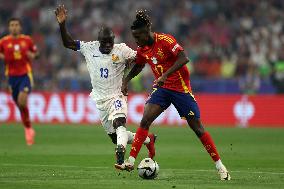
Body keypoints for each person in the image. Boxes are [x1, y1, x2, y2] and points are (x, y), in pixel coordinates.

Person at [116, 10, 231, 180]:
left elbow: (184, 58)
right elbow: (139, 66)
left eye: (138, 36)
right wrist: (126, 81)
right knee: (145, 119)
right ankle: (131, 161)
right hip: (162, 90)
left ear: (147, 30)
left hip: (181, 89)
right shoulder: (142, 49)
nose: (136, 41)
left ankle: (221, 167)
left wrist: (165, 75)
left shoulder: (165, 40)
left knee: (198, 128)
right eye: (134, 37)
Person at [54, 5, 156, 167]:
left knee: (119, 123)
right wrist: (62, 24)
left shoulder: (122, 50)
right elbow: (68, 43)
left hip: (117, 95)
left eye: (110, 42)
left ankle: (120, 153)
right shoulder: (89, 48)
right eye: (105, 43)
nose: (108, 45)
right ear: (99, 41)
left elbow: (141, 61)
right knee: (115, 136)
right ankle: (148, 139)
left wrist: (126, 80)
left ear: (114, 40)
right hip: (100, 99)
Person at [0, 18, 38, 146]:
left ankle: (28, 129)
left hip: (25, 75)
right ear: (9, 27)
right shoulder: (4, 42)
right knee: (20, 106)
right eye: (12, 25)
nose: (14, 27)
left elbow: (36, 53)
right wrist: (3, 56)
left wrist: (33, 55)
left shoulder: (27, 40)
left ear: (20, 27)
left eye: (16, 25)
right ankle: (28, 128)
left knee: (22, 101)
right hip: (11, 77)